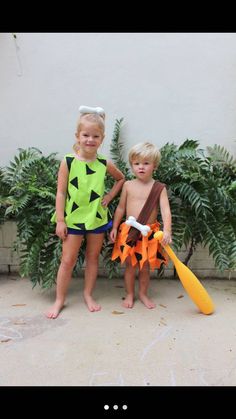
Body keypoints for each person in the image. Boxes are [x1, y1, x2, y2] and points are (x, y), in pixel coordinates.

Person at [46, 106, 125, 318]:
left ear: (102, 138)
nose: (90, 139)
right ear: (77, 136)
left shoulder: (103, 163)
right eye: (86, 135)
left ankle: (88, 294)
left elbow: (121, 179)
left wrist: (108, 197)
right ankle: (59, 299)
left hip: (96, 219)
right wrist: (60, 220)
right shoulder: (68, 161)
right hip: (73, 219)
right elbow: (61, 192)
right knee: (67, 260)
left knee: (92, 258)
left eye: (95, 136)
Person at [110, 142, 172, 309]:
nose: (141, 167)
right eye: (136, 164)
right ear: (132, 166)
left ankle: (143, 294)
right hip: (130, 232)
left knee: (144, 268)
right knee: (130, 267)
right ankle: (130, 294)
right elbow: (121, 208)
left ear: (154, 166)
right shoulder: (128, 185)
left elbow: (165, 210)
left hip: (148, 234)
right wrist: (115, 227)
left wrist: (167, 230)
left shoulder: (159, 188)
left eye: (146, 163)